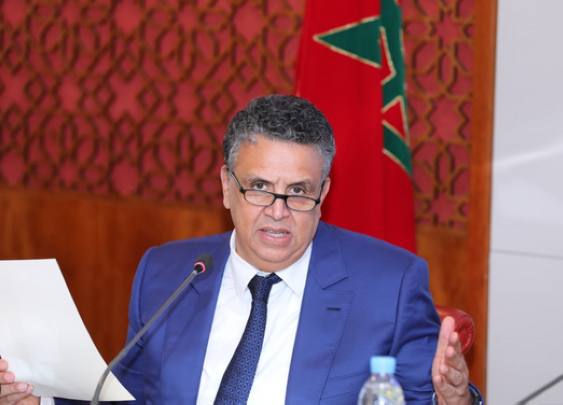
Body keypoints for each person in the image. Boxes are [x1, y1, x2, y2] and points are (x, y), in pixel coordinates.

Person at [0, 95, 482, 405]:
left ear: (323, 193)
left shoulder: (389, 286)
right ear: (226, 187)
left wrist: (458, 399)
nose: (278, 211)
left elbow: (431, 396)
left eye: (298, 191)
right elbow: (125, 397)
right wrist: (38, 401)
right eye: (259, 187)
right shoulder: (168, 273)